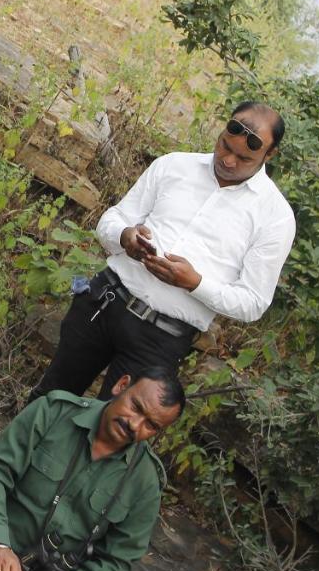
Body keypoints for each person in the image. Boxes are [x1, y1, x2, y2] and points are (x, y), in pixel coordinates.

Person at [29, 102, 296, 401]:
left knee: (109, 434)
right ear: (222, 131)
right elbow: (112, 220)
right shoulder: (175, 165)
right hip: (105, 302)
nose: (229, 160)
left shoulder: (276, 217)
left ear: (269, 155)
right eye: (224, 146)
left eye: (244, 158)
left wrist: (194, 283)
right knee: (48, 400)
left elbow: (253, 303)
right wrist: (126, 236)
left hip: (161, 339)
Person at [0, 368, 184, 571]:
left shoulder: (146, 481)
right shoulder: (53, 411)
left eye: (151, 425)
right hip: (3, 548)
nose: (135, 424)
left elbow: (117, 561)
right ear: (121, 385)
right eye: (136, 406)